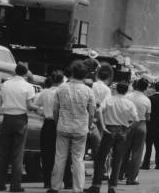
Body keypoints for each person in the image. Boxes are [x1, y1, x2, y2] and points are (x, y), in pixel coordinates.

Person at [50, 61, 95, 193]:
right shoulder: (88, 91)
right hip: (80, 128)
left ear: (73, 73)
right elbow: (92, 112)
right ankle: (78, 188)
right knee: (78, 159)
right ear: (85, 75)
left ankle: (55, 187)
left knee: (60, 157)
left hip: (63, 126)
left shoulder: (61, 88)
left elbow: (55, 109)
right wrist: (88, 126)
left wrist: (58, 123)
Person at [86, 82, 138, 193]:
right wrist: (128, 127)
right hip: (122, 131)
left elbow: (99, 110)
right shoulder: (129, 103)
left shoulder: (109, 100)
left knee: (101, 158)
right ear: (126, 91)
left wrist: (103, 126)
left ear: (116, 89)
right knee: (117, 160)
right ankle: (113, 186)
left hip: (109, 130)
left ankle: (96, 185)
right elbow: (135, 118)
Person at [0, 62, 37, 192]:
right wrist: (39, 109)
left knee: (3, 152)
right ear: (26, 72)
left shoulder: (6, 84)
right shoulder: (28, 86)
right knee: (18, 153)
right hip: (20, 119)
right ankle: (15, 185)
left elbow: (1, 100)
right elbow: (29, 106)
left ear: (15, 71)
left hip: (7, 118)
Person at [34, 71, 64, 188]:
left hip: (48, 123)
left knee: (46, 153)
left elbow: (35, 104)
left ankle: (47, 181)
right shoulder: (63, 91)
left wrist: (42, 112)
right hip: (60, 123)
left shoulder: (45, 92)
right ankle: (61, 180)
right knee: (61, 153)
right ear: (62, 80)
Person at [121, 78, 151, 185]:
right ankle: (131, 178)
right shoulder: (147, 100)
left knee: (124, 150)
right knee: (137, 153)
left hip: (128, 124)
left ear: (136, 85)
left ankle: (120, 173)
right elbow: (148, 117)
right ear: (146, 88)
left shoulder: (128, 96)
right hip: (141, 125)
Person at [87, 65, 113, 161]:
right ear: (107, 78)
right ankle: (95, 156)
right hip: (100, 116)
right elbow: (106, 105)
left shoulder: (91, 85)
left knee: (87, 136)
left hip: (89, 114)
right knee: (98, 139)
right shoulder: (107, 90)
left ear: (97, 76)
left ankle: (86, 153)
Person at [141, 81, 159, 170]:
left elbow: (148, 112)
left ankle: (146, 164)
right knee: (158, 145)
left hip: (150, 124)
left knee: (149, 145)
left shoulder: (150, 98)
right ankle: (158, 164)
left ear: (154, 88)